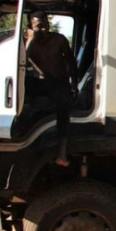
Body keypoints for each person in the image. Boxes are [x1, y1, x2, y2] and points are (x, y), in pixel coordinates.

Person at [24, 10, 78, 167]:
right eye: (39, 26)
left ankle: (62, 153)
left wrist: (73, 85)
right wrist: (30, 40)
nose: (44, 30)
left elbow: (71, 62)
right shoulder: (28, 41)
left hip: (59, 83)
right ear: (31, 27)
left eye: (46, 25)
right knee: (19, 84)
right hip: (41, 82)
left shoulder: (59, 40)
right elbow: (20, 63)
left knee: (63, 105)